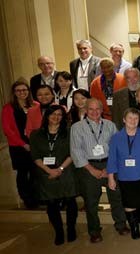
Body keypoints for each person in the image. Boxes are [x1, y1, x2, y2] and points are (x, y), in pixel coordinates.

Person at [70, 98, 127, 243]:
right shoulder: (77, 127)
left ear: (102, 110)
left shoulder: (110, 125)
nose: (94, 112)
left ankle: (121, 224)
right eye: (91, 109)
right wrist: (92, 170)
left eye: (98, 109)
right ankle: (94, 231)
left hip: (110, 164)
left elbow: (117, 147)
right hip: (88, 167)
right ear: (85, 110)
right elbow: (76, 151)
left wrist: (109, 168)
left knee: (117, 197)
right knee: (91, 201)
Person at [29, 105, 77, 245]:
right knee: (51, 203)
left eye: (59, 115)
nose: (56, 117)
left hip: (66, 170)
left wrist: (60, 168)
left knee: (70, 200)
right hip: (46, 173)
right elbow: (35, 156)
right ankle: (59, 232)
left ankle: (71, 229)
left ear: (63, 117)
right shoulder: (36, 134)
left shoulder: (69, 133)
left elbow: (73, 153)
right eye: (53, 114)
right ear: (47, 116)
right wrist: (49, 170)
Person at [107, 108, 140, 239]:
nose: (133, 121)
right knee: (129, 203)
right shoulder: (116, 138)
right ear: (124, 120)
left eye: (136, 118)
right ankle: (134, 226)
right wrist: (111, 178)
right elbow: (112, 159)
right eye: (130, 118)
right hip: (125, 177)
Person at [2, 80, 39, 209]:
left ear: (28, 91)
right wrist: (23, 144)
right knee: (23, 173)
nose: (22, 93)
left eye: (24, 90)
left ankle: (36, 197)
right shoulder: (9, 108)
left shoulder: (35, 105)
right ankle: (27, 199)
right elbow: (8, 130)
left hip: (35, 144)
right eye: (18, 90)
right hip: (18, 146)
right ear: (14, 93)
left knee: (36, 172)